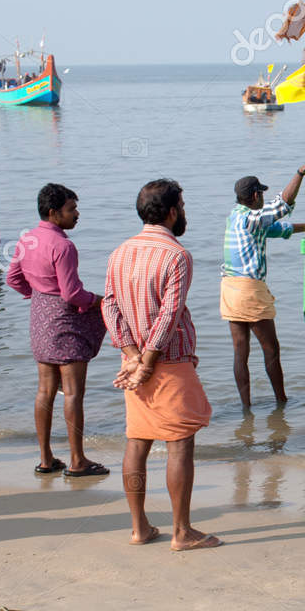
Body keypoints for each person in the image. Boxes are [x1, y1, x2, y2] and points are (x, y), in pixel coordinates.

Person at [102, 179, 220, 551]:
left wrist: (132, 354)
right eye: (182, 206)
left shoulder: (120, 251)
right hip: (167, 363)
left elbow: (108, 305)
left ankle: (139, 528)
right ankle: (181, 532)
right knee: (180, 443)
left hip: (133, 362)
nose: (183, 212)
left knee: (136, 442)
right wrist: (148, 360)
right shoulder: (176, 255)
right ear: (171, 212)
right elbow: (169, 314)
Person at [6, 183, 109, 476]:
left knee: (45, 390)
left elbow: (13, 279)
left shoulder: (27, 239)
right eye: (71, 209)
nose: (77, 214)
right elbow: (72, 294)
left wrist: (37, 293)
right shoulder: (63, 246)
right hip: (64, 319)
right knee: (74, 393)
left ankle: (46, 458)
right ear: (54, 213)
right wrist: (99, 300)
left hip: (39, 314)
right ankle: (77, 460)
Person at [222, 164, 305, 410]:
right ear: (256, 196)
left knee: (240, 352)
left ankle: (246, 408)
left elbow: (277, 229)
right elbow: (281, 207)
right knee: (271, 349)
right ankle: (281, 403)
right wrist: (299, 174)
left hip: (229, 289)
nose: (263, 198)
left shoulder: (235, 216)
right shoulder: (250, 217)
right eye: (262, 194)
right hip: (249, 290)